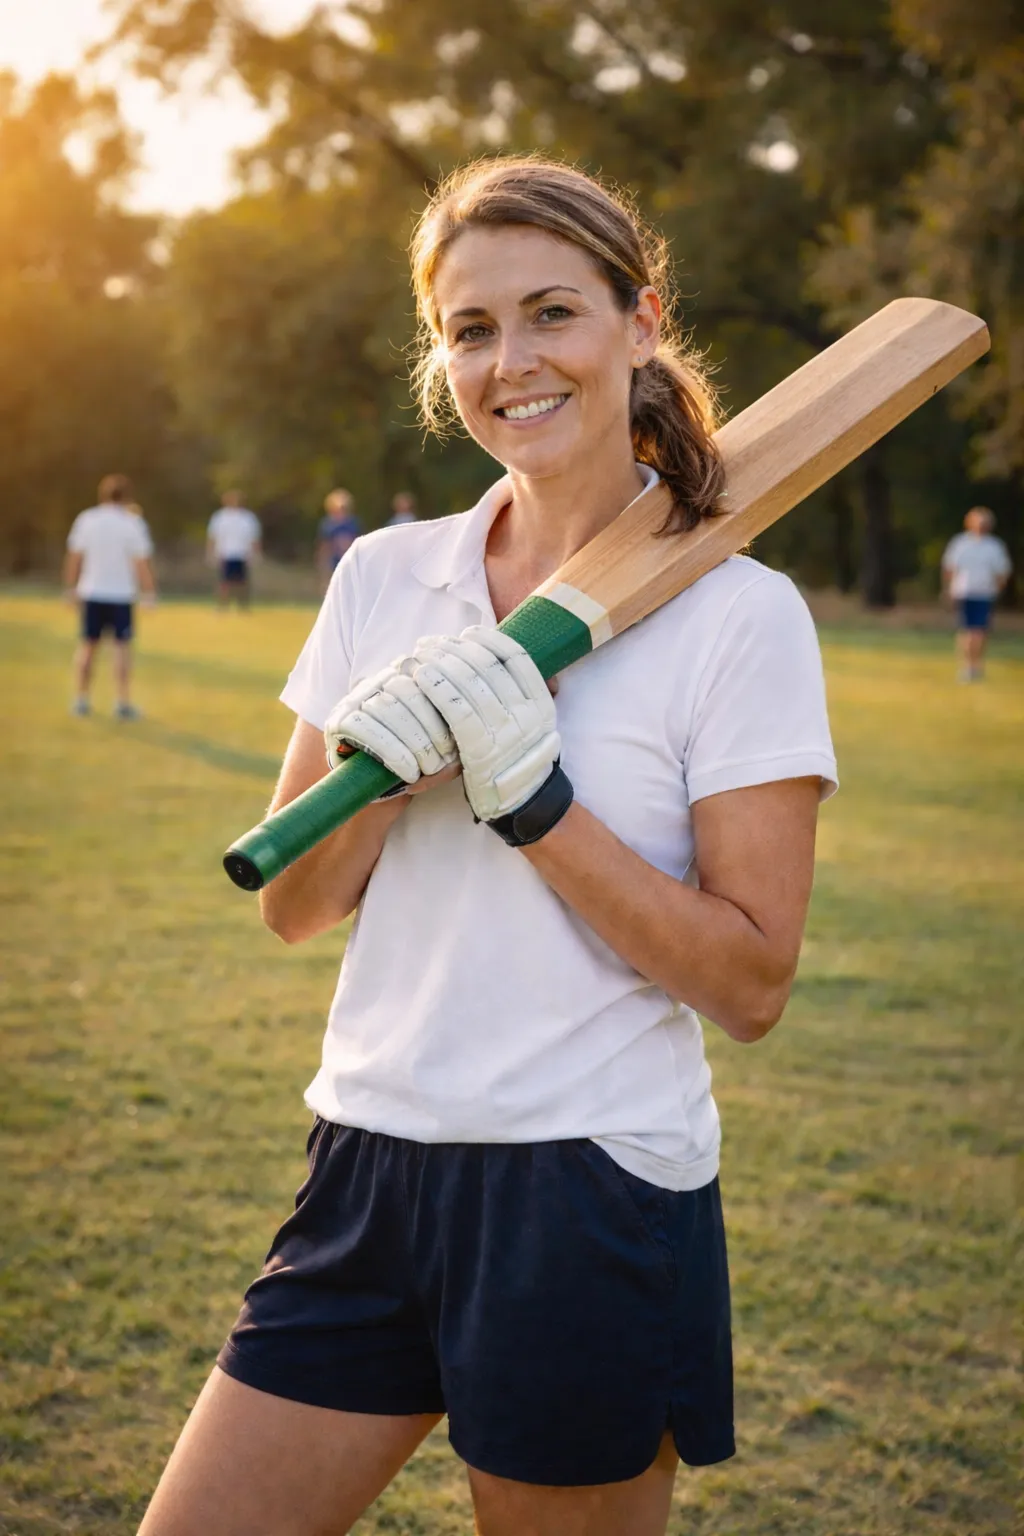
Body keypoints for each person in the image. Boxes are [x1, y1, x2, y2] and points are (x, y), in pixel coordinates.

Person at [139, 158, 837, 1536]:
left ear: (641, 325)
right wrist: (381, 771)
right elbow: (291, 907)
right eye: (470, 329)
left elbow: (751, 986)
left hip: (584, 1191)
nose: (510, 361)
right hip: (367, 1162)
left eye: (552, 313)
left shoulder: (743, 617)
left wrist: (536, 807)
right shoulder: (384, 577)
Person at [63, 473, 156, 720]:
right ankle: (122, 702)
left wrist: (70, 588)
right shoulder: (132, 523)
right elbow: (141, 563)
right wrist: (149, 592)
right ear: (127, 496)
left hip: (91, 591)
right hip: (121, 595)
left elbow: (74, 557)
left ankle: (81, 700)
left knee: (87, 646)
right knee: (121, 649)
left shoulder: (87, 519)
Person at [941, 506, 1013, 681]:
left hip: (984, 593)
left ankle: (976, 665)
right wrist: (948, 589)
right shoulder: (960, 544)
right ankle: (967, 665)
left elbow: (1002, 572)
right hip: (964, 592)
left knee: (980, 631)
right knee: (966, 631)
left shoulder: (994, 547)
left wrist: (997, 589)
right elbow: (950, 568)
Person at [206, 490, 262, 608]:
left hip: (242, 554)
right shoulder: (219, 517)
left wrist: (256, 554)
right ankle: (222, 605)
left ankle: (243, 605)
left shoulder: (248, 518)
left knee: (242, 582)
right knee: (224, 582)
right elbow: (212, 537)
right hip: (224, 554)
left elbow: (254, 538)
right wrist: (210, 553)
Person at [317, 488, 362, 590]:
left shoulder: (353, 523)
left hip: (349, 558)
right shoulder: (328, 524)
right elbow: (324, 545)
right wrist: (323, 564)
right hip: (334, 558)